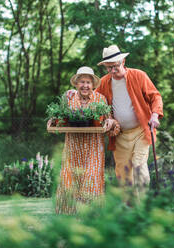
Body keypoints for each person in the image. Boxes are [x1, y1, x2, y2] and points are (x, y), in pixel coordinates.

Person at [97, 45, 163, 199]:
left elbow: (155, 96)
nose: (112, 71)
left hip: (141, 130)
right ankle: (130, 209)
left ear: (123, 61)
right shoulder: (103, 83)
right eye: (108, 68)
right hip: (119, 134)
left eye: (115, 66)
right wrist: (73, 94)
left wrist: (154, 115)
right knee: (123, 173)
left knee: (139, 165)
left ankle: (144, 204)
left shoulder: (139, 76)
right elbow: (91, 100)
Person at [54, 66, 119, 214]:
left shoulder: (100, 99)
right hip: (73, 145)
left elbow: (110, 121)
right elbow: (60, 120)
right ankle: (69, 211)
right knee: (71, 176)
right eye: (82, 82)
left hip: (93, 146)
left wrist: (110, 122)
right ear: (76, 84)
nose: (85, 85)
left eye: (88, 82)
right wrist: (54, 120)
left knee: (92, 176)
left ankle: (92, 212)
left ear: (93, 85)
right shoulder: (68, 98)